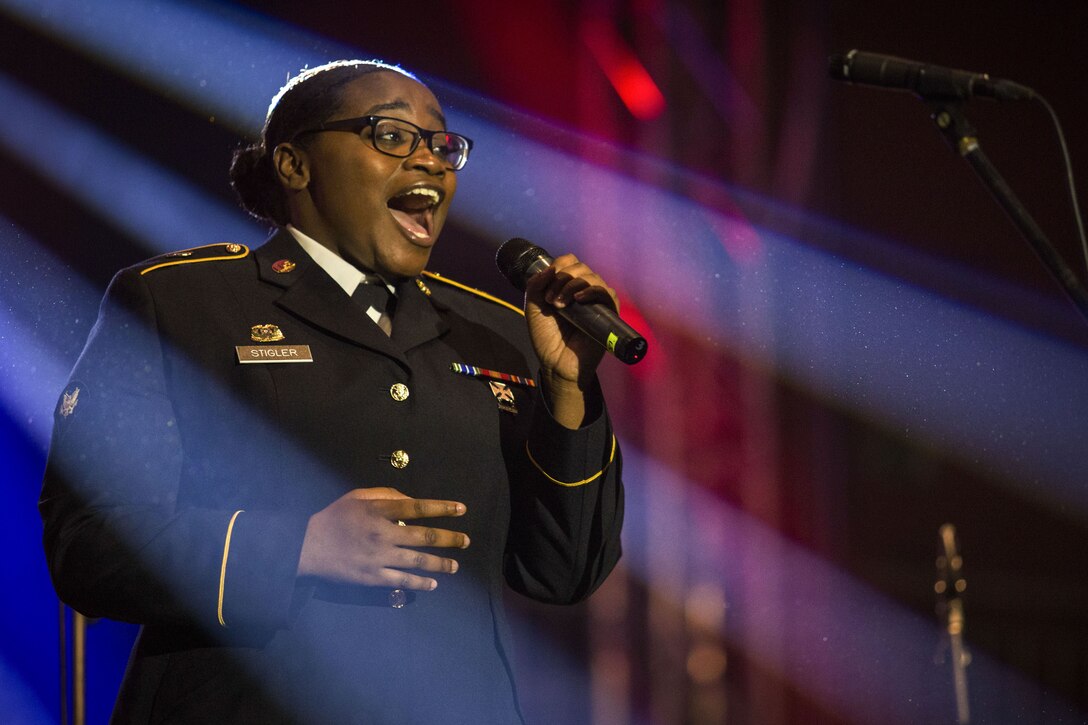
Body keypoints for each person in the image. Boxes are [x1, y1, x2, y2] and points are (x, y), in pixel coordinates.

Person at [40, 59, 624, 723]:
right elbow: (88, 543)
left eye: (442, 144)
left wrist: (569, 386)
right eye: (392, 135)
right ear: (294, 164)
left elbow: (566, 570)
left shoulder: (494, 331)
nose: (432, 162)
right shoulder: (183, 301)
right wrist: (299, 547)